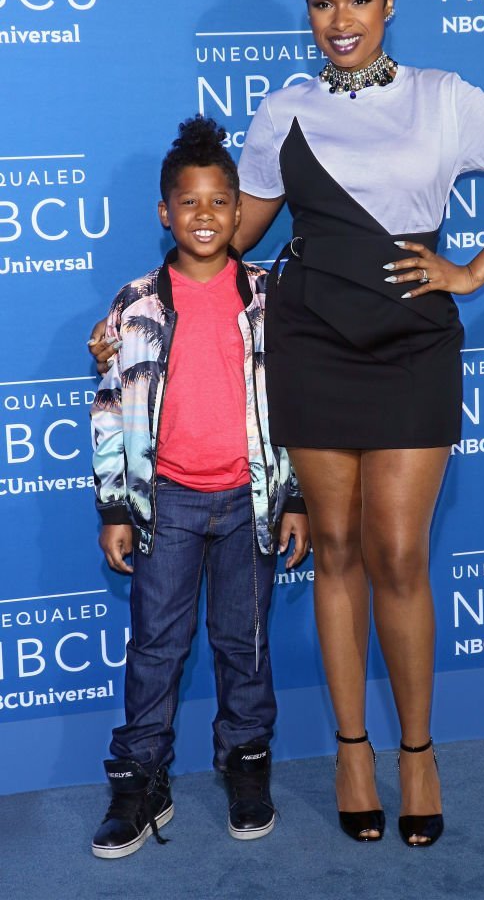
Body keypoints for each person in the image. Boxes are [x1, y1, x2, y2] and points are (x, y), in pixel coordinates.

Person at [90, 0, 484, 848]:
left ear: (389, 3)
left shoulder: (444, 99)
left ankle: (417, 753)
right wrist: (135, 312)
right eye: (322, 3)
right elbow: (226, 240)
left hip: (411, 347)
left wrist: (471, 272)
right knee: (342, 551)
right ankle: (353, 749)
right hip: (311, 345)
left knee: (399, 553)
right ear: (307, 12)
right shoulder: (284, 111)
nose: (340, 20)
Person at [89, 116, 309, 859]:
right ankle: (139, 780)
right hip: (168, 505)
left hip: (249, 502)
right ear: (164, 212)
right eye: (189, 203)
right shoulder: (135, 304)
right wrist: (116, 505)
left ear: (240, 210)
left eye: (221, 202)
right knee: (157, 646)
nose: (206, 216)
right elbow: (112, 412)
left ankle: (247, 769)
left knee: (242, 645)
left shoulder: (268, 298)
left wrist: (296, 495)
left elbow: (297, 404)